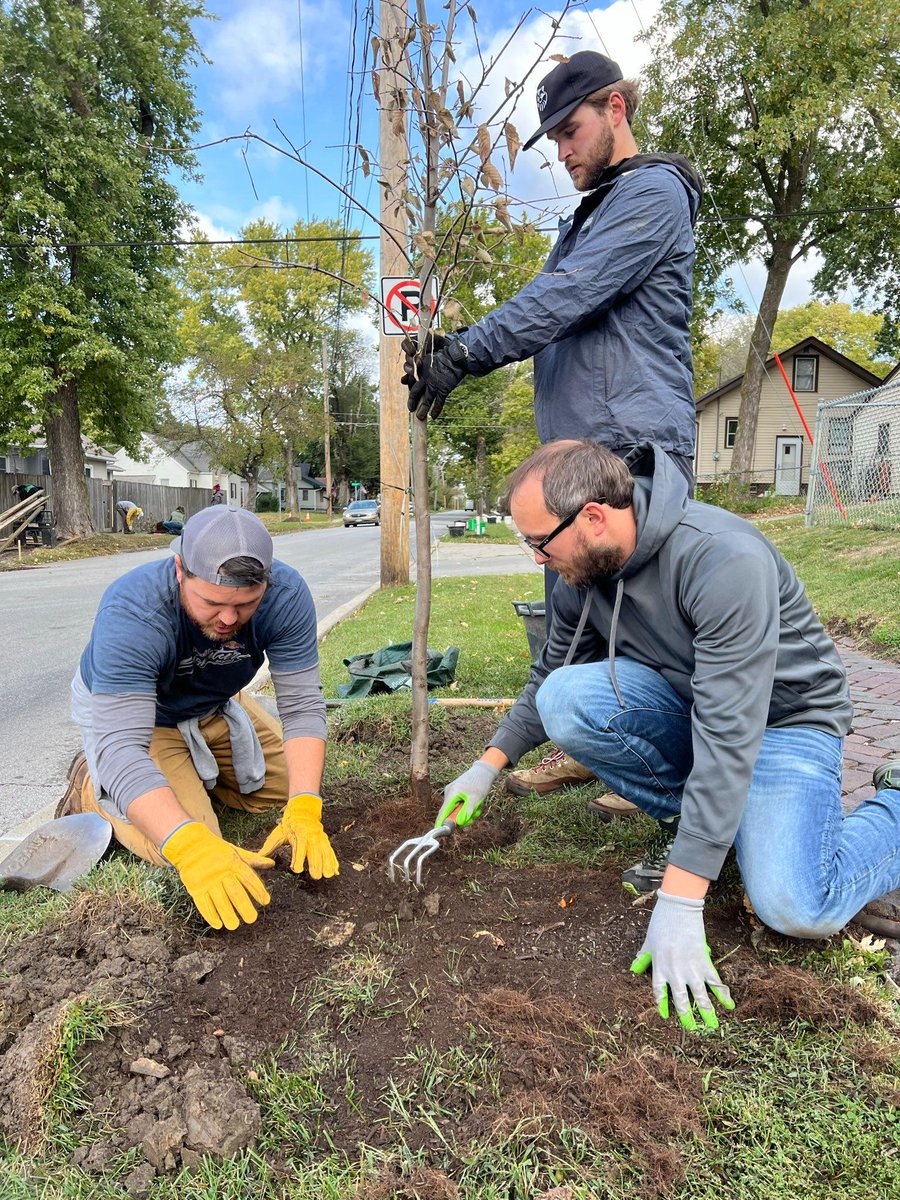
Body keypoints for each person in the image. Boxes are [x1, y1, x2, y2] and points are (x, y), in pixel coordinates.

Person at [439, 439, 900, 1030]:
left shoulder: (722, 557)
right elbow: (547, 677)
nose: (535, 558)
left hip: (785, 723)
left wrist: (682, 901)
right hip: (687, 703)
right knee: (567, 698)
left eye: (538, 541)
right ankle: (709, 829)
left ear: (594, 517)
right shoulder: (576, 566)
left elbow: (729, 736)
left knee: (795, 906)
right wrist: (487, 765)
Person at [402, 50, 702, 805]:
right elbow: (552, 298)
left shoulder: (653, 195)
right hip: (578, 456)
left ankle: (683, 779)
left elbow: (564, 298)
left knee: (650, 624)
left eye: (570, 131)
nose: (563, 151)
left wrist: (465, 353)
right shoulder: (595, 213)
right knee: (573, 622)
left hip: (628, 453)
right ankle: (589, 743)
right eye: (554, 139)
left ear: (616, 108)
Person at [61, 506, 338, 931]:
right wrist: (188, 845)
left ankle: (189, 767)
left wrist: (305, 808)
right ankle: (91, 786)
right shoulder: (134, 613)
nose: (229, 619)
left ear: (267, 582)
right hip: (138, 719)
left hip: (212, 700)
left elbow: (302, 706)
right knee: (185, 841)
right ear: (179, 570)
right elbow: (122, 747)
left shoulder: (286, 595)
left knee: (288, 791)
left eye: (246, 604)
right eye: (212, 602)